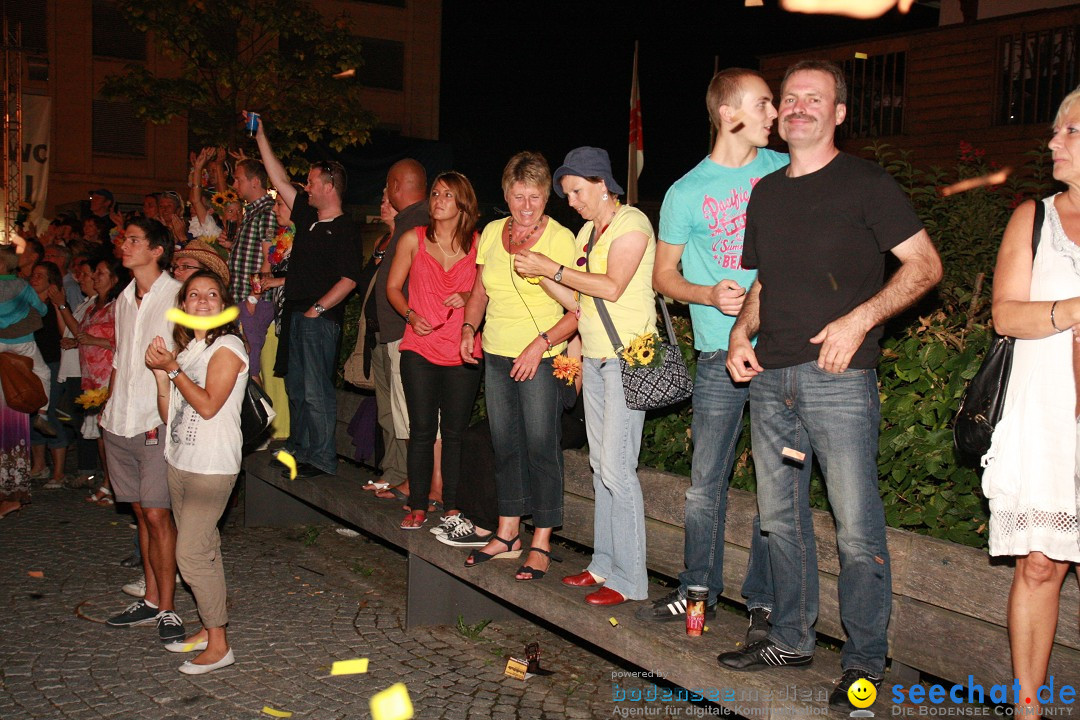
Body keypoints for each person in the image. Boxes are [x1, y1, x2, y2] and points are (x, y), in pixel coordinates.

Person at [719, 60, 942, 711]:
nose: (799, 108)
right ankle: (790, 637)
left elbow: (926, 266)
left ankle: (866, 661)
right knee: (779, 520)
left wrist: (862, 316)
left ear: (839, 113)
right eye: (790, 99)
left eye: (814, 99)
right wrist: (739, 335)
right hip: (771, 382)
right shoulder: (767, 192)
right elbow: (763, 283)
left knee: (855, 528)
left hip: (839, 384)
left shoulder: (867, 184)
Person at [641, 69, 788, 636]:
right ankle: (696, 588)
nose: (774, 114)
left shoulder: (782, 170)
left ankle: (763, 599)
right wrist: (706, 293)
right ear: (730, 114)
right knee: (707, 482)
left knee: (775, 483)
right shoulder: (684, 192)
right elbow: (662, 275)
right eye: (764, 104)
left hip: (780, 352)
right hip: (713, 356)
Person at [514, 146, 657, 607]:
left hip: (628, 358)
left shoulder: (632, 224)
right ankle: (604, 565)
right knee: (601, 469)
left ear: (600, 183)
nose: (571, 200)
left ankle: (632, 580)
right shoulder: (586, 235)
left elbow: (612, 287)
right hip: (595, 359)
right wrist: (537, 271)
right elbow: (577, 302)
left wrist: (552, 268)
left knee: (618, 468)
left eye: (576, 190)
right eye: (568, 193)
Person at [981, 88, 1080, 717]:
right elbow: (1004, 314)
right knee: (1039, 566)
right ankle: (1028, 711)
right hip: (1045, 418)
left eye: (1070, 132)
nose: (1053, 142)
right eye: (1056, 131)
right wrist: (1073, 310)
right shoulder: (1034, 218)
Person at [457, 152, 577, 578]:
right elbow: (480, 292)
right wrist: (470, 327)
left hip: (542, 356)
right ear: (506, 194)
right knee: (503, 443)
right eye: (518, 195)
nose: (526, 206)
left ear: (548, 196)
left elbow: (579, 309)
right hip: (496, 354)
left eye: (536, 196)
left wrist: (539, 345)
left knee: (542, 447)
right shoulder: (491, 233)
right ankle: (508, 532)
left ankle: (541, 539)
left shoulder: (561, 239)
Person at [251, 113, 364, 478]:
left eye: (313, 181)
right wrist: (261, 136)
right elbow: (278, 177)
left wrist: (318, 308)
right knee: (297, 389)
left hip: (318, 320)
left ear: (330, 186)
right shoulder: (308, 216)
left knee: (316, 391)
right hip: (297, 316)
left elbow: (350, 278)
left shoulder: (345, 228)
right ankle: (299, 451)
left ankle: (321, 458)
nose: (307, 187)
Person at [146, 270, 248, 674]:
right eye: (193, 295)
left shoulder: (228, 345)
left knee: (189, 552)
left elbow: (207, 405)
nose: (202, 301)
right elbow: (174, 414)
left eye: (212, 294)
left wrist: (171, 370)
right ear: (183, 306)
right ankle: (208, 629)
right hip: (181, 461)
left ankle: (220, 644)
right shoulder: (189, 352)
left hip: (212, 465)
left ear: (223, 306)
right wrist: (161, 375)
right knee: (205, 549)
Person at [101, 217, 186, 645]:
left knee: (157, 512)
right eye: (123, 238)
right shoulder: (122, 298)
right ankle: (151, 598)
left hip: (156, 418)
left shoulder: (176, 296)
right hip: (120, 418)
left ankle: (169, 608)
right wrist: (106, 409)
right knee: (138, 512)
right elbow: (120, 358)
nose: (123, 244)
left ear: (157, 250)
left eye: (133, 239)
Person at [386, 171, 482, 531]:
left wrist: (470, 296)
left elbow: (492, 292)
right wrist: (410, 315)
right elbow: (393, 288)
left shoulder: (478, 244)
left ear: (463, 204)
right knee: (422, 430)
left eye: (447, 195)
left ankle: (453, 505)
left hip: (463, 349)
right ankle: (418, 504)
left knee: (455, 432)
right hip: (420, 348)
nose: (438, 200)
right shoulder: (413, 238)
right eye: (436, 194)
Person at [372, 159, 429, 505]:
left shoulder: (417, 223)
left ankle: (416, 483)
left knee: (409, 413)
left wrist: (408, 319)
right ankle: (410, 479)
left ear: (396, 186)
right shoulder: (409, 221)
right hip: (399, 329)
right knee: (400, 411)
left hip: (407, 331)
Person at [28, 261, 72, 489]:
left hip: (54, 364)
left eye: (40, 275)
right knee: (31, 415)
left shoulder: (57, 304)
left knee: (49, 414)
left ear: (51, 281)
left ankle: (58, 472)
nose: (34, 278)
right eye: (33, 275)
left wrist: (58, 304)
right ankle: (39, 466)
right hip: (29, 366)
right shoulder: (28, 304)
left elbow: (64, 332)